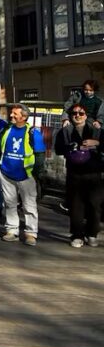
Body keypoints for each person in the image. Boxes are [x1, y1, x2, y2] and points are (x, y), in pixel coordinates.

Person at [55, 104, 103, 248]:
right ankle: (77, 235)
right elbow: (58, 149)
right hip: (75, 173)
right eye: (74, 113)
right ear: (70, 116)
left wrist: (97, 143)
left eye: (81, 113)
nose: (77, 115)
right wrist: (71, 147)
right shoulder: (64, 132)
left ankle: (92, 234)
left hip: (94, 173)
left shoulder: (96, 130)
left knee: (95, 206)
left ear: (86, 115)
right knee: (76, 206)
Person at [0, 104, 45, 246]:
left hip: (26, 175)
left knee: (29, 206)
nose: (11, 116)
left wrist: (36, 174)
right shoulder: (6, 129)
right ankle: (11, 230)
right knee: (10, 204)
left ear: (23, 117)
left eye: (14, 114)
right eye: (11, 113)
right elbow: (0, 148)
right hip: (6, 173)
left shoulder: (33, 133)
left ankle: (31, 233)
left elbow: (40, 155)